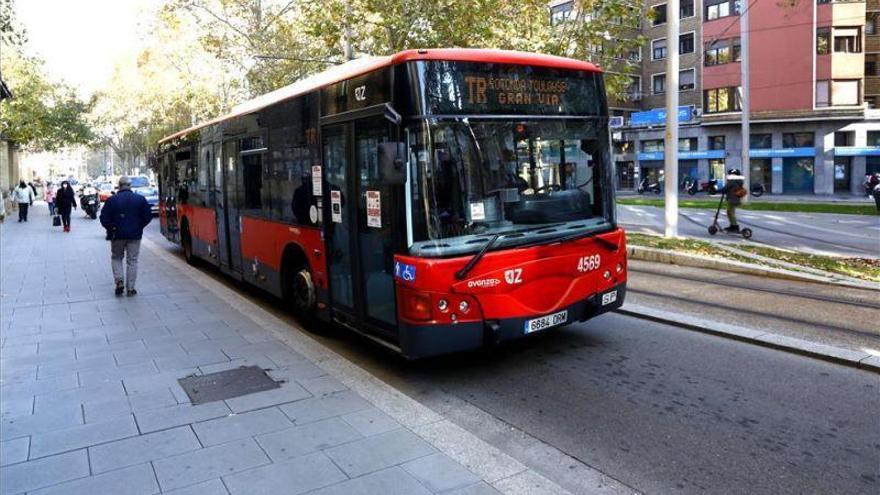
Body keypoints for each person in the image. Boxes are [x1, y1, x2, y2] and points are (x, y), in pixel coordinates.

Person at [100, 176, 153, 296]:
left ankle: (119, 281)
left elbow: (103, 218)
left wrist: (110, 228)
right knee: (132, 260)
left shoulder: (111, 200)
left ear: (119, 185)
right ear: (130, 186)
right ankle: (130, 288)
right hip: (134, 235)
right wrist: (139, 226)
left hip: (116, 234)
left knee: (116, 257)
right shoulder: (139, 199)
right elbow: (148, 216)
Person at [721, 168, 746, 232]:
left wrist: (716, 191)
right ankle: (733, 225)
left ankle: (734, 226)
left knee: (730, 213)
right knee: (730, 212)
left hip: (732, 199)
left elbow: (724, 188)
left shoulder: (732, 181)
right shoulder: (738, 181)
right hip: (735, 199)